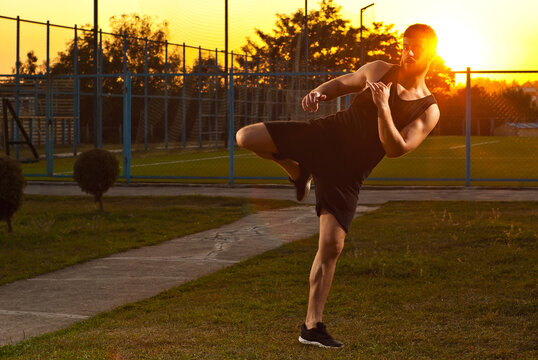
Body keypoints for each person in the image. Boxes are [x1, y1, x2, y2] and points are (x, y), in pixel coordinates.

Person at [235, 24, 440, 348]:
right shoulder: (379, 71)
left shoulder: (428, 109)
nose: (408, 52)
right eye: (405, 45)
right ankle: (297, 170)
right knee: (245, 137)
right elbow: (344, 82)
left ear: (433, 53)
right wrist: (320, 92)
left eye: (417, 47)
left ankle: (311, 326)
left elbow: (395, 148)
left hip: (348, 173)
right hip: (324, 137)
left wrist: (383, 108)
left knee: (331, 246)